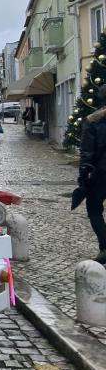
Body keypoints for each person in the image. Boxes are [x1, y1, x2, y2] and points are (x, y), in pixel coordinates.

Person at [79, 85, 106, 264]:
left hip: (100, 173)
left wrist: (84, 173)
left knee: (94, 209)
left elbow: (87, 151)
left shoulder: (93, 120)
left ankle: (105, 246)